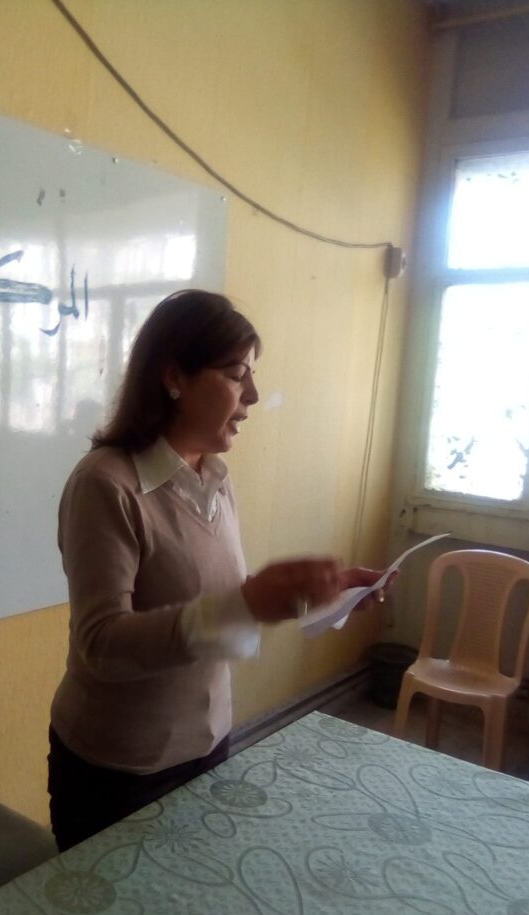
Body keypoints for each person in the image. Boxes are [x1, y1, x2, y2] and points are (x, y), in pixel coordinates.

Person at [48, 289, 387, 851]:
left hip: (208, 745)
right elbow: (102, 644)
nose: (252, 396)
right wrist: (249, 603)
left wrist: (320, 594)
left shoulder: (215, 480)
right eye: (235, 375)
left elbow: (219, 604)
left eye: (252, 375)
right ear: (173, 378)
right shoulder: (105, 485)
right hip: (120, 770)